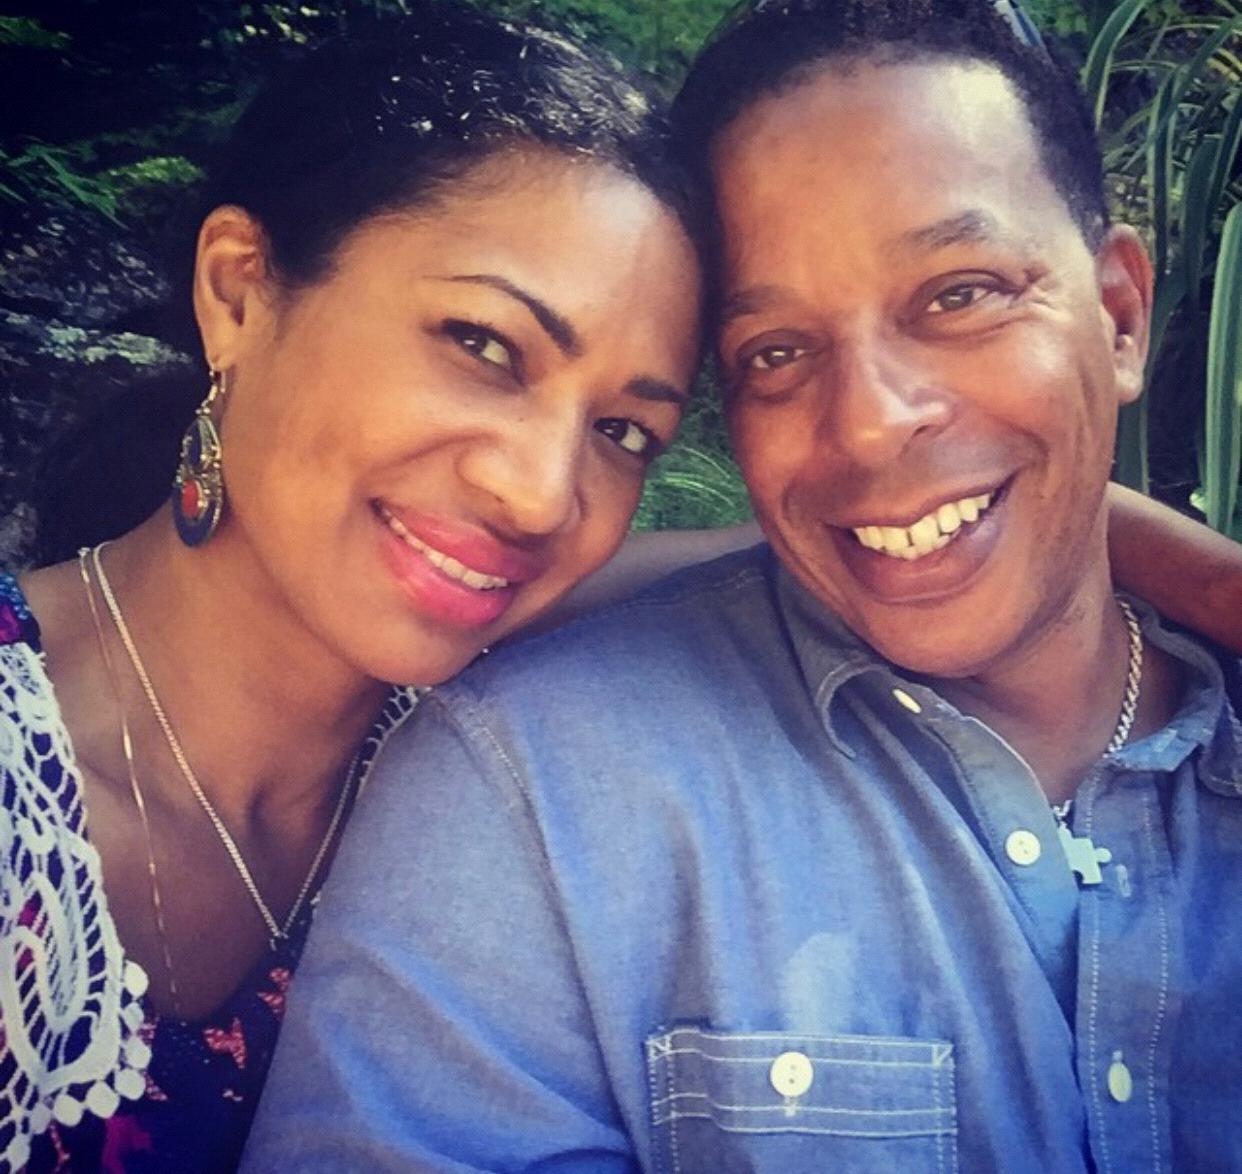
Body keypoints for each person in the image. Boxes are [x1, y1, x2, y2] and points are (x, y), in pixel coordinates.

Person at [242, 1, 1242, 1171]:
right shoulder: (546, 801)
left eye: (959, 294)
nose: (868, 424)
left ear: (1119, 316)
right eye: (776, 353)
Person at [0, 6, 707, 1170]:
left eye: (624, 431)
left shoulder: (468, 763)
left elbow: (699, 572)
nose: (541, 498)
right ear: (239, 293)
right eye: (484, 345)